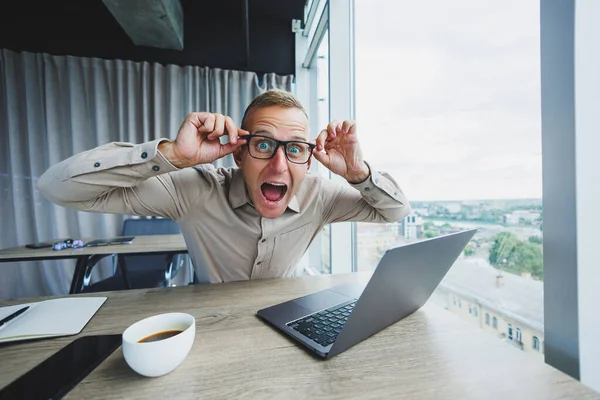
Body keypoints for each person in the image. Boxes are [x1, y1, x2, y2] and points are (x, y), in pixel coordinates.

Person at [38, 89, 411, 283]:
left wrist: (358, 173)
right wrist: (172, 154)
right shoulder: (193, 190)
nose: (279, 164)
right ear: (239, 154)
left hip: (285, 323)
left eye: (295, 148)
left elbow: (396, 211)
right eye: (263, 145)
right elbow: (56, 187)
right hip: (207, 322)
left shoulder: (321, 196)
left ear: (309, 158)